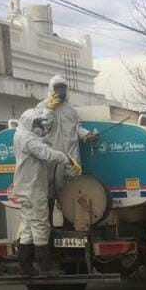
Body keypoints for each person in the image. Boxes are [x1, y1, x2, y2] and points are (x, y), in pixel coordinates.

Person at [13, 108, 81, 276]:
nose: (39, 127)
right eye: (37, 123)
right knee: (40, 224)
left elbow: (42, 145)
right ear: (30, 123)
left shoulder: (21, 135)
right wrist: (65, 158)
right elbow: (46, 153)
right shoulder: (27, 139)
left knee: (29, 226)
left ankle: (25, 265)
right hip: (32, 188)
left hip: (25, 187)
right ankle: (45, 266)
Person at [35, 74, 98, 219]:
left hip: (71, 158)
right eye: (57, 88)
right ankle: (48, 225)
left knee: (72, 191)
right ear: (51, 89)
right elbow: (42, 128)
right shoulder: (41, 107)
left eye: (63, 88)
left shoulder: (70, 109)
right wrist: (49, 109)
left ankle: (71, 223)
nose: (61, 91)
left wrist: (86, 135)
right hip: (51, 157)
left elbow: (75, 128)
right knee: (49, 192)